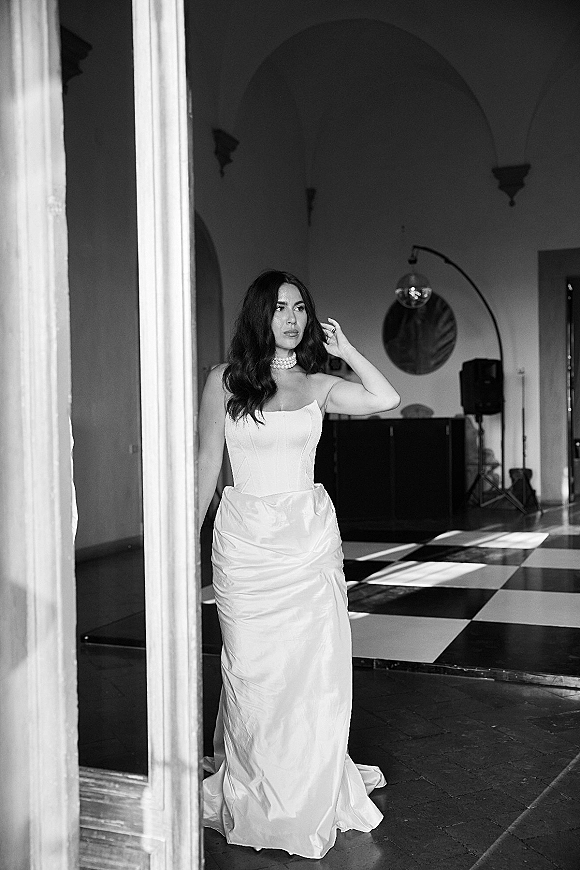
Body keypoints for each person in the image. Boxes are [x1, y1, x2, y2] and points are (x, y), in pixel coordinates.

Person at [198, 269, 400, 859]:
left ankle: (308, 789)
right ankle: (255, 787)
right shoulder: (223, 381)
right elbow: (208, 464)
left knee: (312, 675)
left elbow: (384, 398)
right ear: (259, 314)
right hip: (245, 544)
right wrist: (181, 545)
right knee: (254, 676)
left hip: (307, 543)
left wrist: (348, 351)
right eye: (282, 308)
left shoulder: (316, 382)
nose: (293, 319)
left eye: (301, 309)